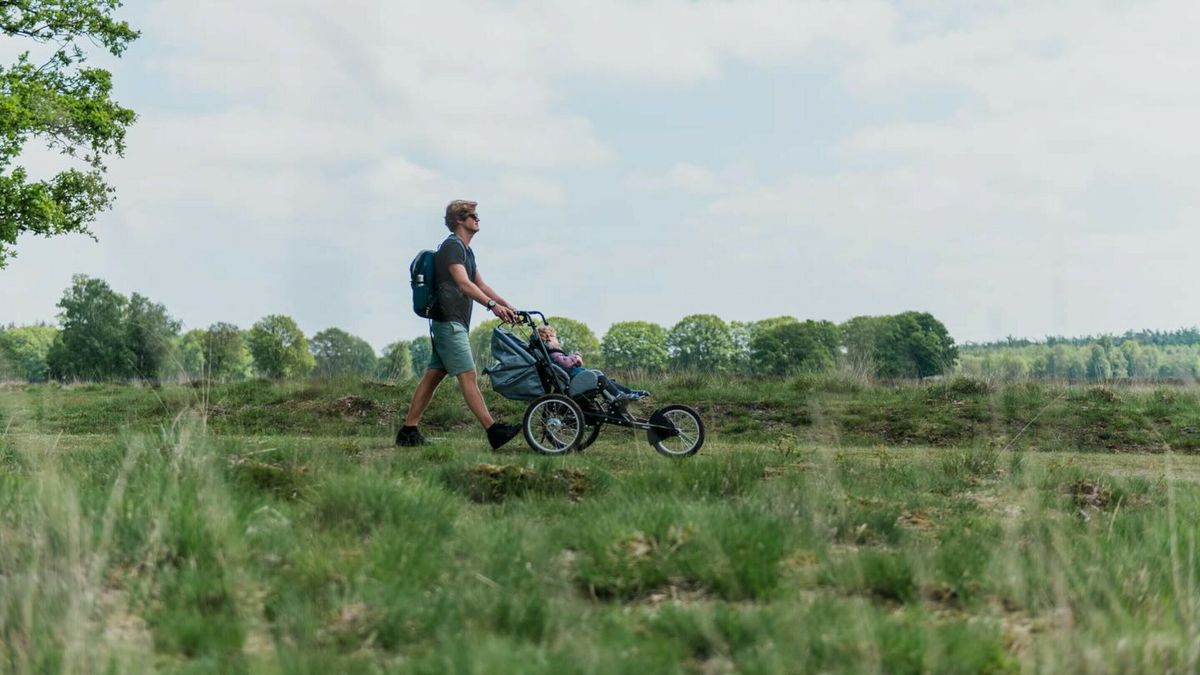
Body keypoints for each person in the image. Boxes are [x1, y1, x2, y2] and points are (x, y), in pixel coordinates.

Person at [396, 200, 522, 449]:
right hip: (448, 322)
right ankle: (493, 430)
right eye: (473, 216)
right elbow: (464, 283)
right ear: (460, 220)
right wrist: (492, 307)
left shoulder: (466, 251)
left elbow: (481, 284)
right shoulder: (452, 247)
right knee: (468, 376)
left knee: (432, 378)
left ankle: (408, 431)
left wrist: (508, 306)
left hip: (454, 323)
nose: (478, 219)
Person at [535, 325, 649, 406]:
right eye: (555, 337)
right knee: (600, 377)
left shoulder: (554, 354)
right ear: (549, 337)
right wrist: (576, 357)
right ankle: (619, 395)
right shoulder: (554, 354)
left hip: (577, 378)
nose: (557, 340)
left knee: (604, 378)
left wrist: (573, 357)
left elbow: (565, 362)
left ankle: (628, 392)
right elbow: (566, 363)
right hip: (575, 381)